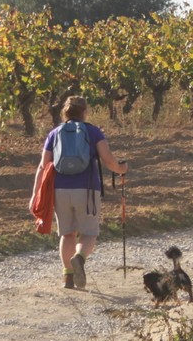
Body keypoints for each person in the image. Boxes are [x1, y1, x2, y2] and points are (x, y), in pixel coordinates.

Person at [33, 97, 127, 290]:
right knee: (89, 233)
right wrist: (121, 169)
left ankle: (68, 278)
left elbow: (43, 166)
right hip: (87, 189)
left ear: (65, 112)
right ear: (84, 112)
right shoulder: (92, 131)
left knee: (67, 234)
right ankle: (79, 257)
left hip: (60, 189)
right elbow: (108, 160)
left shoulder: (54, 133)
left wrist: (35, 195)